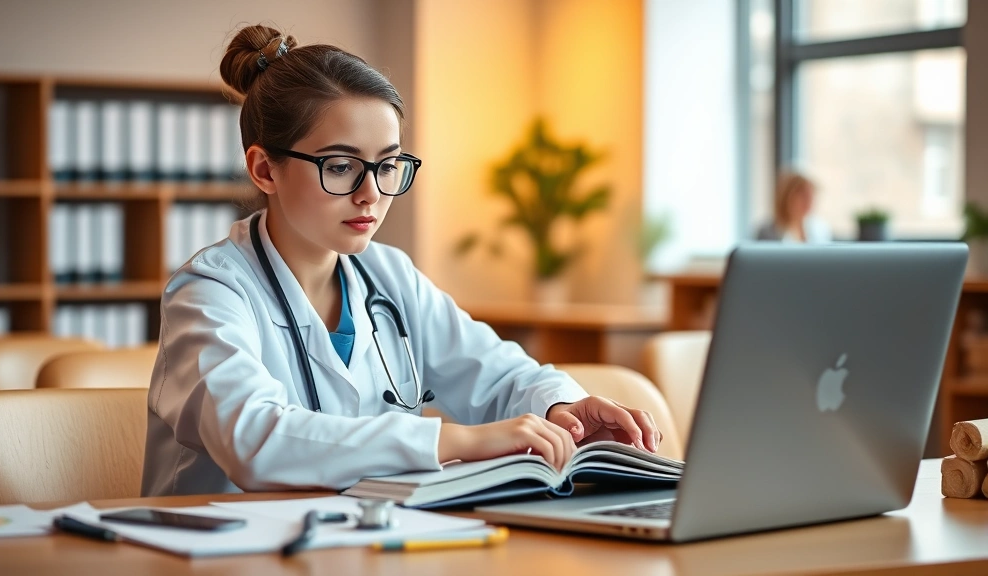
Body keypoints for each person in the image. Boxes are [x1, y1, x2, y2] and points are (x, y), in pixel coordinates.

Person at [141, 25, 662, 497]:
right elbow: (254, 440)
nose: (371, 193)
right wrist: (452, 440)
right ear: (264, 170)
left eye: (387, 165)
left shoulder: (388, 277)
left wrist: (560, 410)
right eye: (342, 166)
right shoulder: (209, 292)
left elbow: (499, 376)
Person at [756, 170, 832, 243]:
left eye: (811, 196)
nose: (809, 201)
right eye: (803, 195)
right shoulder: (767, 232)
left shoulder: (820, 228)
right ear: (786, 198)